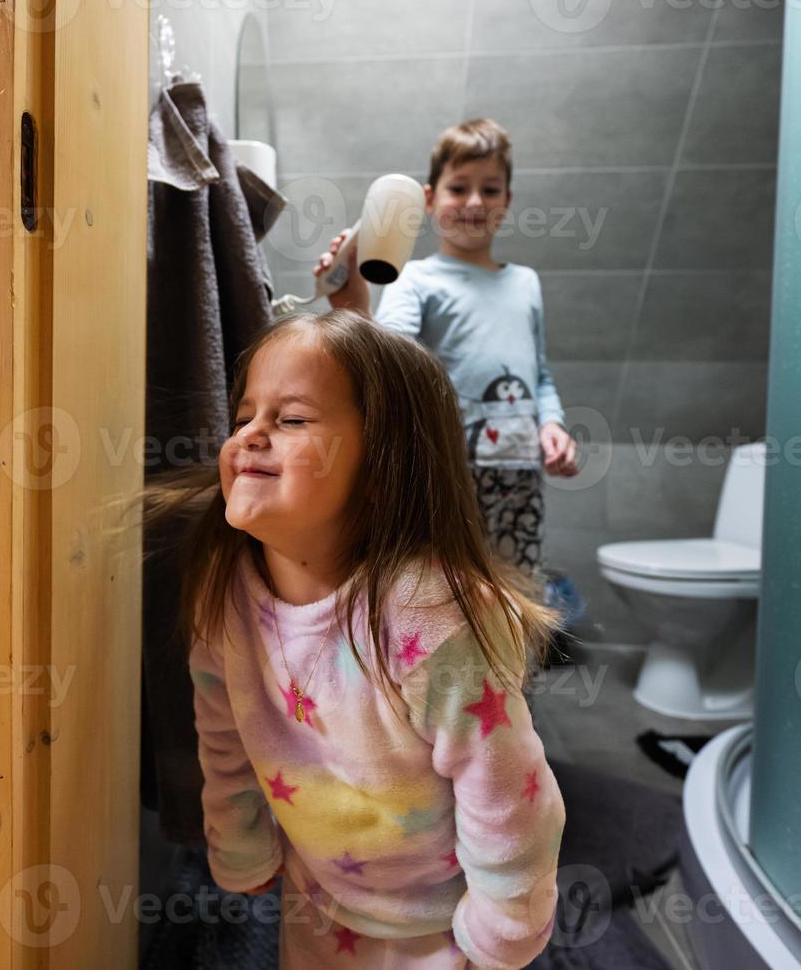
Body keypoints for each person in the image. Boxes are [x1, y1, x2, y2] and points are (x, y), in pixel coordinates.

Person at [155, 309, 566, 968]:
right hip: (317, 897)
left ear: (383, 466)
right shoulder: (225, 590)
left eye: (290, 420)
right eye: (243, 418)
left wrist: (505, 927)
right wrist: (240, 840)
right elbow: (222, 726)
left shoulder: (432, 618)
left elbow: (509, 792)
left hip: (437, 926)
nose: (251, 435)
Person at [315, 118, 580, 579]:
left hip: (519, 473)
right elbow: (387, 357)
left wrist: (552, 424)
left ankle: (512, 653)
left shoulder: (526, 283)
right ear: (430, 200)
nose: (475, 202)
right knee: (445, 593)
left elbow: (539, 375)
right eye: (459, 188)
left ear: (508, 201)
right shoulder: (415, 278)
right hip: (446, 470)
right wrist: (353, 298)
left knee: (518, 597)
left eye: (491, 190)